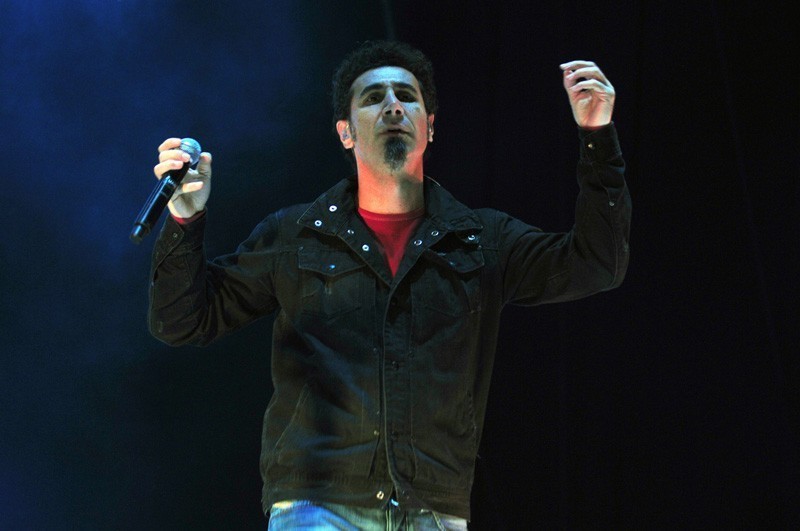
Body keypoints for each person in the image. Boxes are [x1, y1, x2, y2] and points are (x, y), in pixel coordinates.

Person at [147, 40, 630, 529]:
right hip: (318, 504)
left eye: (407, 96)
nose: (393, 105)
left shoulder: (481, 239)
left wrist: (598, 135)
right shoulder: (296, 235)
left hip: (432, 508)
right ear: (346, 133)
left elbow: (596, 263)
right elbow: (182, 321)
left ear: (430, 126)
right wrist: (185, 218)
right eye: (374, 97)